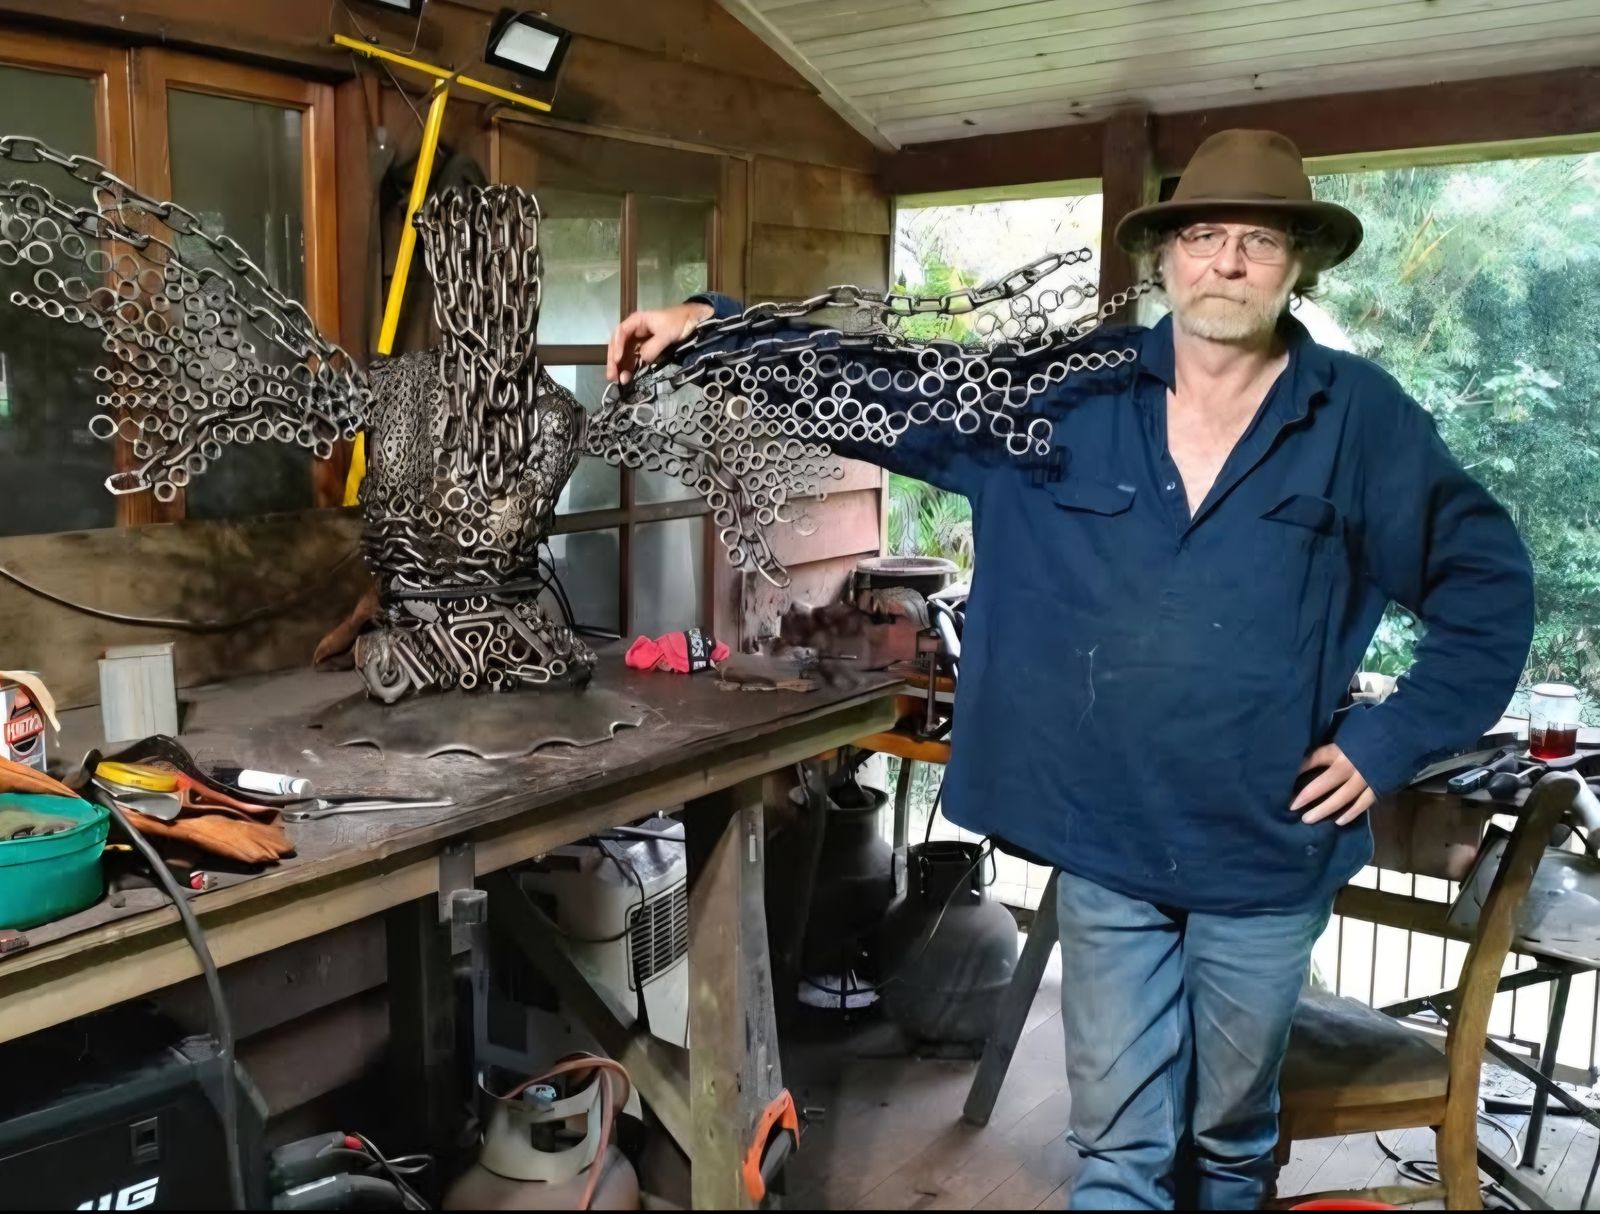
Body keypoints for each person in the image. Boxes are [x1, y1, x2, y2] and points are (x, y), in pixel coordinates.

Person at [605, 129, 1534, 1210]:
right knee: (1120, 1152)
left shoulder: (1360, 422)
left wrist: (1386, 741)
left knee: (1232, 1142)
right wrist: (712, 334)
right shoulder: (1068, 397)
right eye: (1201, 235)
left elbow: (1489, 594)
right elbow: (884, 389)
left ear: (1297, 264)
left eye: (1257, 239)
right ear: (1166, 258)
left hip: (1264, 852)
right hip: (1111, 842)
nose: (1226, 260)